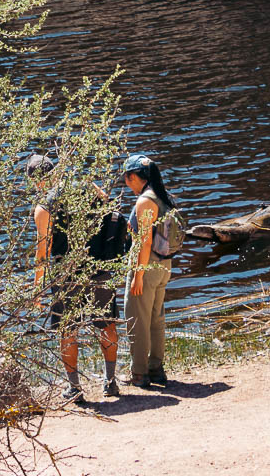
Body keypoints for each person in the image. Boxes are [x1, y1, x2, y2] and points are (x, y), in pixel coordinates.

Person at [28, 152, 122, 406]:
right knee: (106, 323)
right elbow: (111, 211)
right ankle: (111, 381)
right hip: (99, 268)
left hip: (66, 277)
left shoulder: (44, 208)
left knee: (68, 331)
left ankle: (74, 388)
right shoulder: (89, 187)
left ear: (36, 181)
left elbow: (42, 252)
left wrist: (37, 288)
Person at [123, 154, 176, 389]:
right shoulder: (164, 197)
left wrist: (138, 275)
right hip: (164, 266)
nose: (126, 184)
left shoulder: (145, 201)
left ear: (134, 176)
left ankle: (139, 373)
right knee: (156, 320)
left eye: (126, 178)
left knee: (137, 320)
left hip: (147, 267)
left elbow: (144, 242)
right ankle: (156, 368)